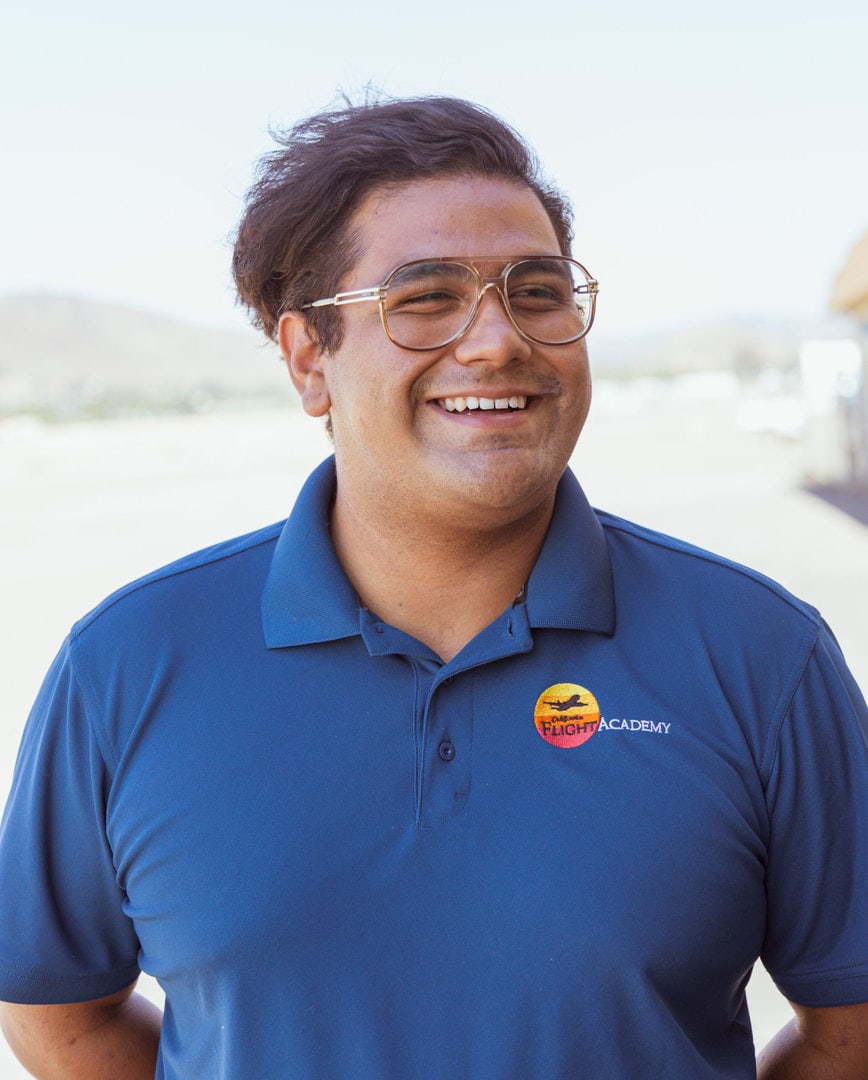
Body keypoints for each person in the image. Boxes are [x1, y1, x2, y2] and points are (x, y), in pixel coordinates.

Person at [0, 95, 866, 1080]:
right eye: (423, 297)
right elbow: (56, 1011)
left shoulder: (760, 653)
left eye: (537, 291)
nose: (497, 341)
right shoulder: (127, 663)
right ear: (305, 360)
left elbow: (853, 1024)